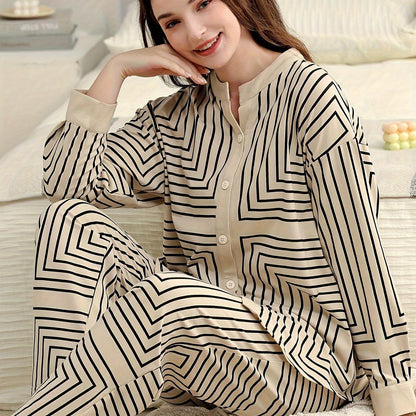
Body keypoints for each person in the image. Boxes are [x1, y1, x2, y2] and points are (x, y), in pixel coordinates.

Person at [12, 0, 416, 415]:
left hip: (302, 365)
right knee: (66, 221)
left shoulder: (312, 97)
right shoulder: (172, 118)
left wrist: (394, 392)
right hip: (202, 362)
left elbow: (357, 250)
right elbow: (66, 185)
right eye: (173, 22)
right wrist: (116, 69)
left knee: (163, 297)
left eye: (203, 4)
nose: (195, 31)